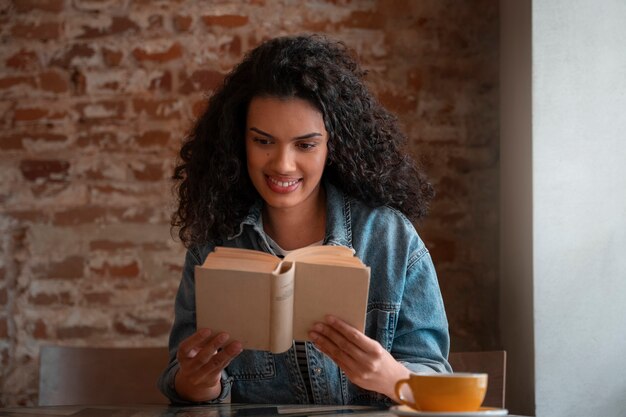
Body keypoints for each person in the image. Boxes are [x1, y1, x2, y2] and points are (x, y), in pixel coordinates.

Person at [158, 34, 451, 406]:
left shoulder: (391, 239)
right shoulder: (214, 248)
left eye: (306, 145)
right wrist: (198, 383)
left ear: (334, 146)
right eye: (263, 141)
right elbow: (180, 382)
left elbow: (436, 378)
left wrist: (389, 376)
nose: (282, 164)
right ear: (238, 142)